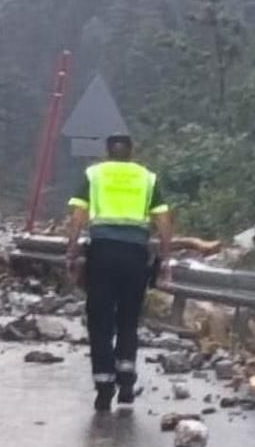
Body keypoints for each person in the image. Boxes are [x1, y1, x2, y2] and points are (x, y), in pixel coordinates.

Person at [63, 134, 174, 412]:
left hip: (101, 253)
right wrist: (165, 258)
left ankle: (103, 388)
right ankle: (126, 383)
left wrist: (72, 251)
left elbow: (78, 215)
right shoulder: (147, 178)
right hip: (135, 255)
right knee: (128, 318)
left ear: (107, 152)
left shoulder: (95, 174)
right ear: (132, 153)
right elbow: (163, 220)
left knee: (100, 319)